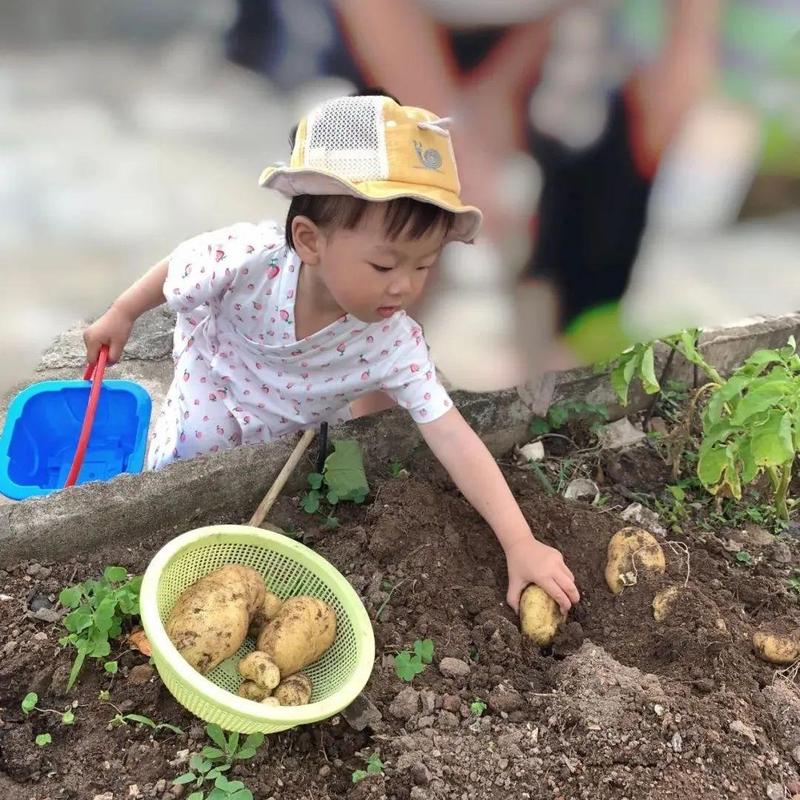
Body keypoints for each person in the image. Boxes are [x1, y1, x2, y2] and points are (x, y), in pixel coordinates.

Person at [82, 91, 580, 616]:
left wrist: (520, 541)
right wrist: (122, 312)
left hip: (289, 414)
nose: (405, 287)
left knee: (270, 490)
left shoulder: (394, 342)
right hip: (219, 375)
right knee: (193, 459)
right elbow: (181, 266)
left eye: (423, 266)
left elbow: (452, 435)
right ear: (310, 240)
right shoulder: (250, 260)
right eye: (385, 266)